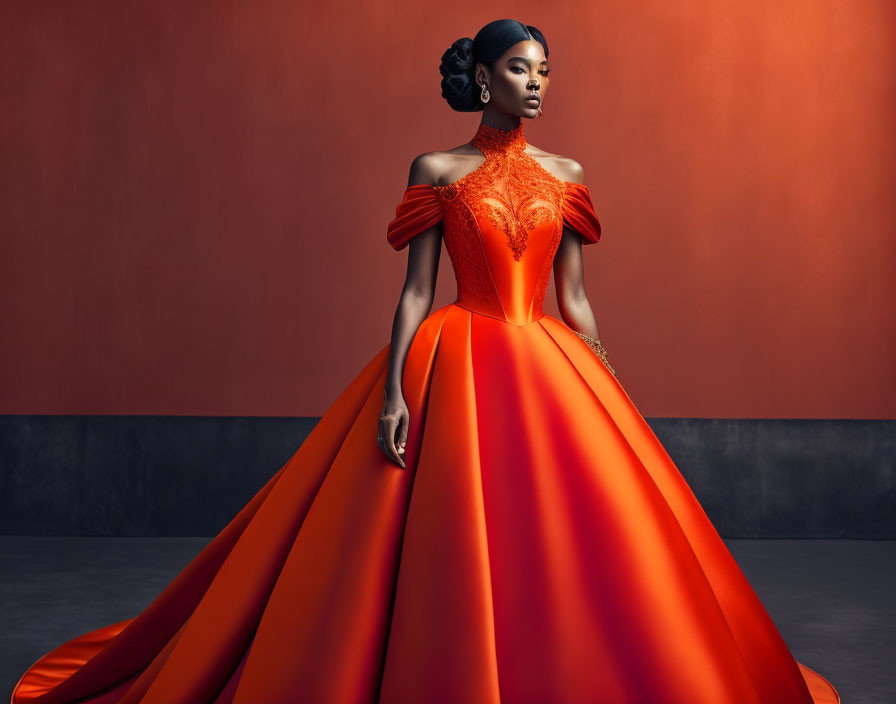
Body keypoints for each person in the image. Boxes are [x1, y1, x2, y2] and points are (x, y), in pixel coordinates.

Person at [11, 18, 839, 704]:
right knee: (445, 531)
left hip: (551, 358)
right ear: (484, 79)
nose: (539, 83)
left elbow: (575, 296)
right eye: (521, 69)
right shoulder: (437, 171)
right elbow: (416, 291)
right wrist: (396, 391)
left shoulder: (568, 175)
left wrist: (606, 382)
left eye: (545, 70)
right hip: (461, 350)